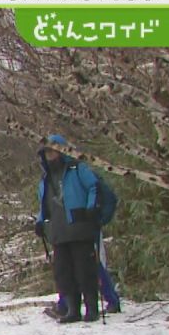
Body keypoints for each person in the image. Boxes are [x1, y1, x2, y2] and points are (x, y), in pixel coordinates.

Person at [34, 134, 102, 324]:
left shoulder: (77, 168)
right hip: (58, 230)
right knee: (64, 273)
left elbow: (93, 187)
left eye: (52, 151)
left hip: (80, 226)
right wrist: (40, 221)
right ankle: (72, 309)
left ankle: (91, 308)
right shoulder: (45, 179)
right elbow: (43, 203)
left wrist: (90, 208)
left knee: (84, 270)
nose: (49, 156)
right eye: (46, 152)